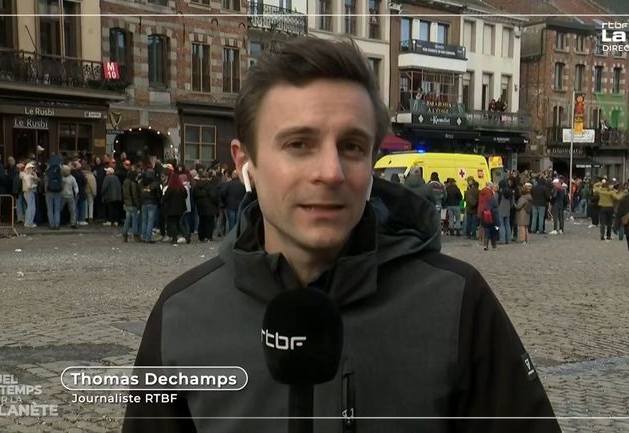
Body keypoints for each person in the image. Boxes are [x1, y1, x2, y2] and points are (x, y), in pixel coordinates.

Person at [123, 37, 560, 432]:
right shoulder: (182, 314)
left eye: (351, 147)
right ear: (245, 162)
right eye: (299, 144)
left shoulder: (458, 301)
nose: (330, 173)